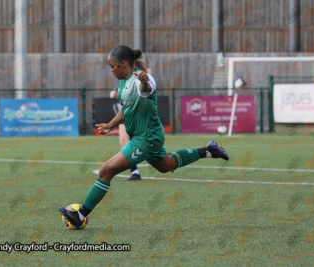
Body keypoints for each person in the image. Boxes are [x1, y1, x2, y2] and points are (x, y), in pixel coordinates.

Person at [60, 45, 229, 228]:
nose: (111, 70)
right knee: (167, 165)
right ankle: (209, 151)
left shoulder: (142, 79)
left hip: (147, 138)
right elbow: (127, 107)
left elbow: (145, 88)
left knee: (106, 171)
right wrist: (110, 124)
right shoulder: (123, 82)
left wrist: (145, 80)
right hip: (145, 137)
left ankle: (81, 214)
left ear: (123, 64)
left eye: (112, 66)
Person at [110, 88, 141, 181]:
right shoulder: (122, 82)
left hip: (134, 115)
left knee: (133, 146)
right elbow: (113, 93)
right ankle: (135, 173)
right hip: (125, 117)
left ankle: (166, 158)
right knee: (125, 145)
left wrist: (118, 95)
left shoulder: (134, 80)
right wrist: (114, 94)